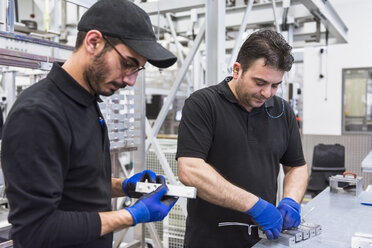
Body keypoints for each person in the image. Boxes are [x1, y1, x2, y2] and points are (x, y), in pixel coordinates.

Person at [1, 0, 178, 247]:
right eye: (128, 63)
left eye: (138, 69)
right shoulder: (38, 114)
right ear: (93, 42)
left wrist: (126, 187)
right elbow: (36, 230)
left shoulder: (87, 103)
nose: (131, 81)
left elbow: (76, 183)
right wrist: (132, 215)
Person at [176, 29, 308, 248]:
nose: (267, 93)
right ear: (237, 70)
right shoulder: (203, 104)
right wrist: (254, 205)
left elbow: (296, 166)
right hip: (210, 240)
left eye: (275, 85)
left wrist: (291, 200)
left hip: (264, 239)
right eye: (259, 82)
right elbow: (190, 170)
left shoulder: (282, 111)